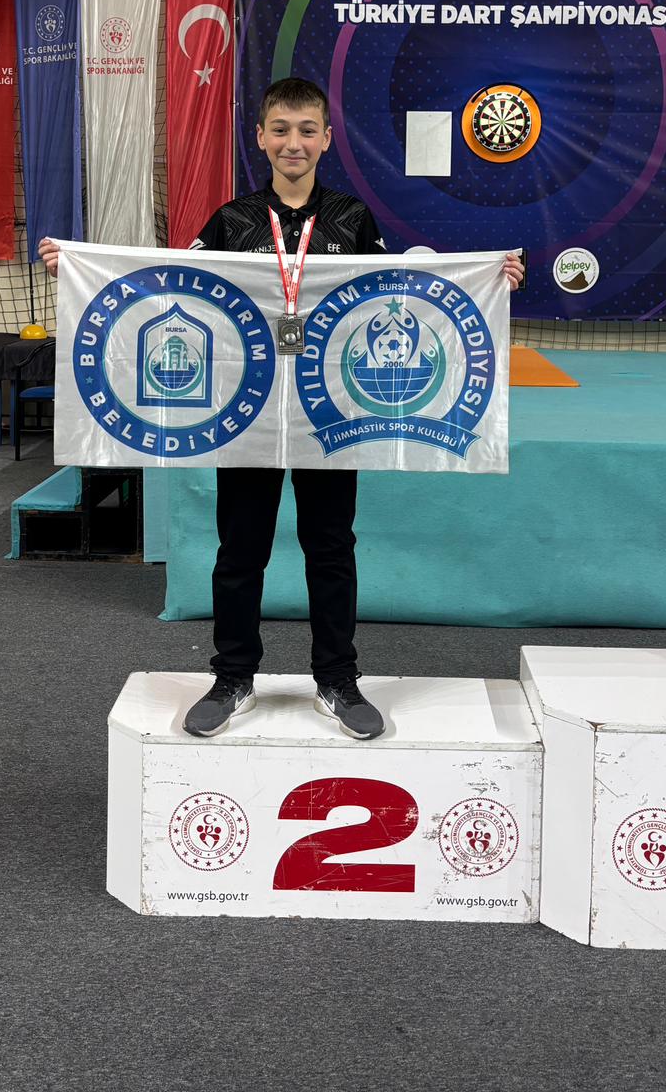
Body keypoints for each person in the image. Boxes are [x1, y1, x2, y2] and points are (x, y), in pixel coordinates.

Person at [39, 76, 524, 742]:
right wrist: (77, 268)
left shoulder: (352, 219)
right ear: (261, 137)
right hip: (249, 413)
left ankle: (338, 679)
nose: (293, 142)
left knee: (331, 550)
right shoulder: (233, 221)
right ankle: (233, 677)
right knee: (241, 550)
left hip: (331, 415)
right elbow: (167, 287)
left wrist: (492, 278)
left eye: (306, 130)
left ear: (326, 140)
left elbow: (399, 296)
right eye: (281, 129)